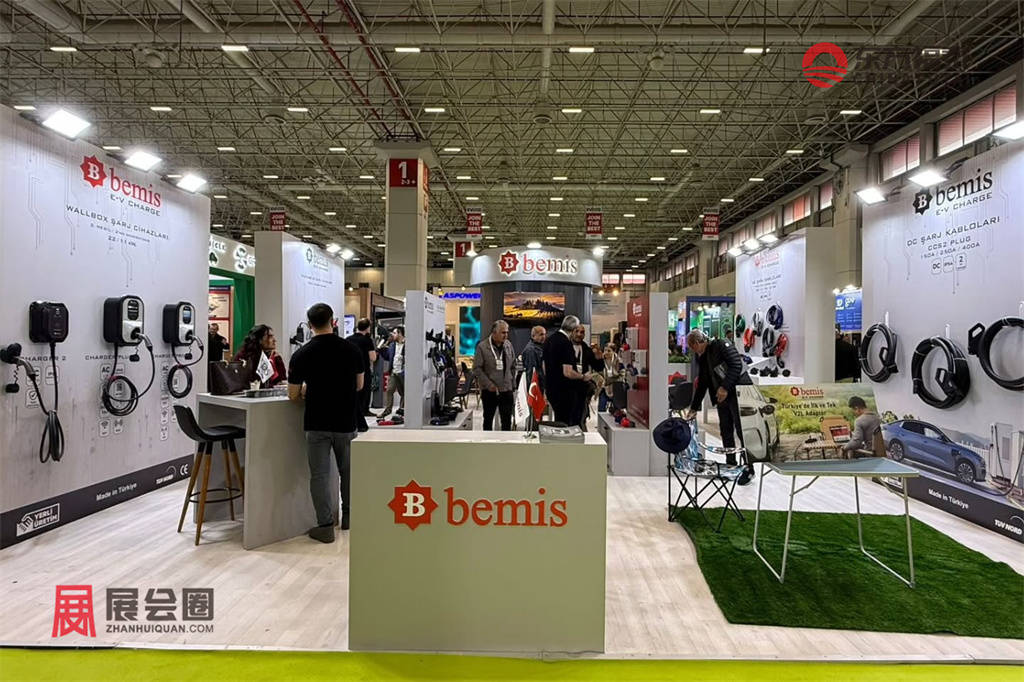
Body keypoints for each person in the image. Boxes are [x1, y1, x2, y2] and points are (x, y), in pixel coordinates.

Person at [287, 303, 365, 542]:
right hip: (346, 421)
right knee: (348, 472)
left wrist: (306, 390)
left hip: (317, 421)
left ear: (310, 324)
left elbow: (292, 394)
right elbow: (359, 385)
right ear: (333, 321)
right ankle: (350, 518)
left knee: (319, 476)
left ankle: (325, 526)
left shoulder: (301, 354)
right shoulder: (352, 350)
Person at [682, 329, 754, 483]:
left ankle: (749, 468)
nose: (693, 350)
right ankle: (731, 464)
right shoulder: (703, 357)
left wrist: (724, 387)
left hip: (738, 392)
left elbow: (736, 366)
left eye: (692, 347)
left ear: (698, 342)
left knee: (742, 431)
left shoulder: (721, 345)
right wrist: (694, 408)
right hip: (723, 396)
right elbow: (703, 383)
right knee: (726, 430)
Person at [543, 315, 587, 426]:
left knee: (558, 420)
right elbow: (568, 372)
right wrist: (583, 376)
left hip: (551, 389)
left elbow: (544, 366)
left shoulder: (549, 340)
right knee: (565, 424)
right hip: (564, 391)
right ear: (573, 329)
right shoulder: (566, 343)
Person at [474, 320, 516, 430]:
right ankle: (487, 440)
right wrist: (488, 385)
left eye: (507, 332)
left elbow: (513, 365)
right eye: (503, 332)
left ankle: (505, 440)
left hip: (506, 390)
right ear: (494, 332)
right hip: (490, 391)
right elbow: (477, 368)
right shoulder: (482, 347)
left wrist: (512, 384)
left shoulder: (508, 345)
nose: (506, 335)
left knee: (507, 421)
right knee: (488, 420)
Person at [346, 318, 377, 432]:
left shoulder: (348, 339)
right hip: (363, 370)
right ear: (368, 328)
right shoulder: (367, 340)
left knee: (353, 394)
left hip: (349, 371)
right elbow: (373, 357)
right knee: (364, 392)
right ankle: (363, 414)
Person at [381, 326, 405, 416]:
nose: (393, 335)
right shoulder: (392, 345)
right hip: (393, 372)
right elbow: (388, 357)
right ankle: (388, 410)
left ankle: (402, 411)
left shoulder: (407, 344)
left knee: (403, 393)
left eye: (395, 333)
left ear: (400, 333)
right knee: (389, 390)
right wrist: (382, 349)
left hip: (403, 373)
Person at [520, 325, 547, 394]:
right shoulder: (530, 350)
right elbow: (531, 372)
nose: (544, 337)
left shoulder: (540, 348)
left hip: (541, 384)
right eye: (541, 334)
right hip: (536, 387)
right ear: (533, 336)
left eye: (544, 334)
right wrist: (533, 389)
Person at [598, 343, 624, 413]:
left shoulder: (619, 361)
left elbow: (622, 374)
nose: (606, 352)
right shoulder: (600, 361)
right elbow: (597, 373)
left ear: (614, 351)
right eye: (605, 350)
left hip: (616, 388)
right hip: (604, 388)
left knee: (617, 410)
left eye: (609, 351)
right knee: (601, 408)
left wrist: (611, 380)